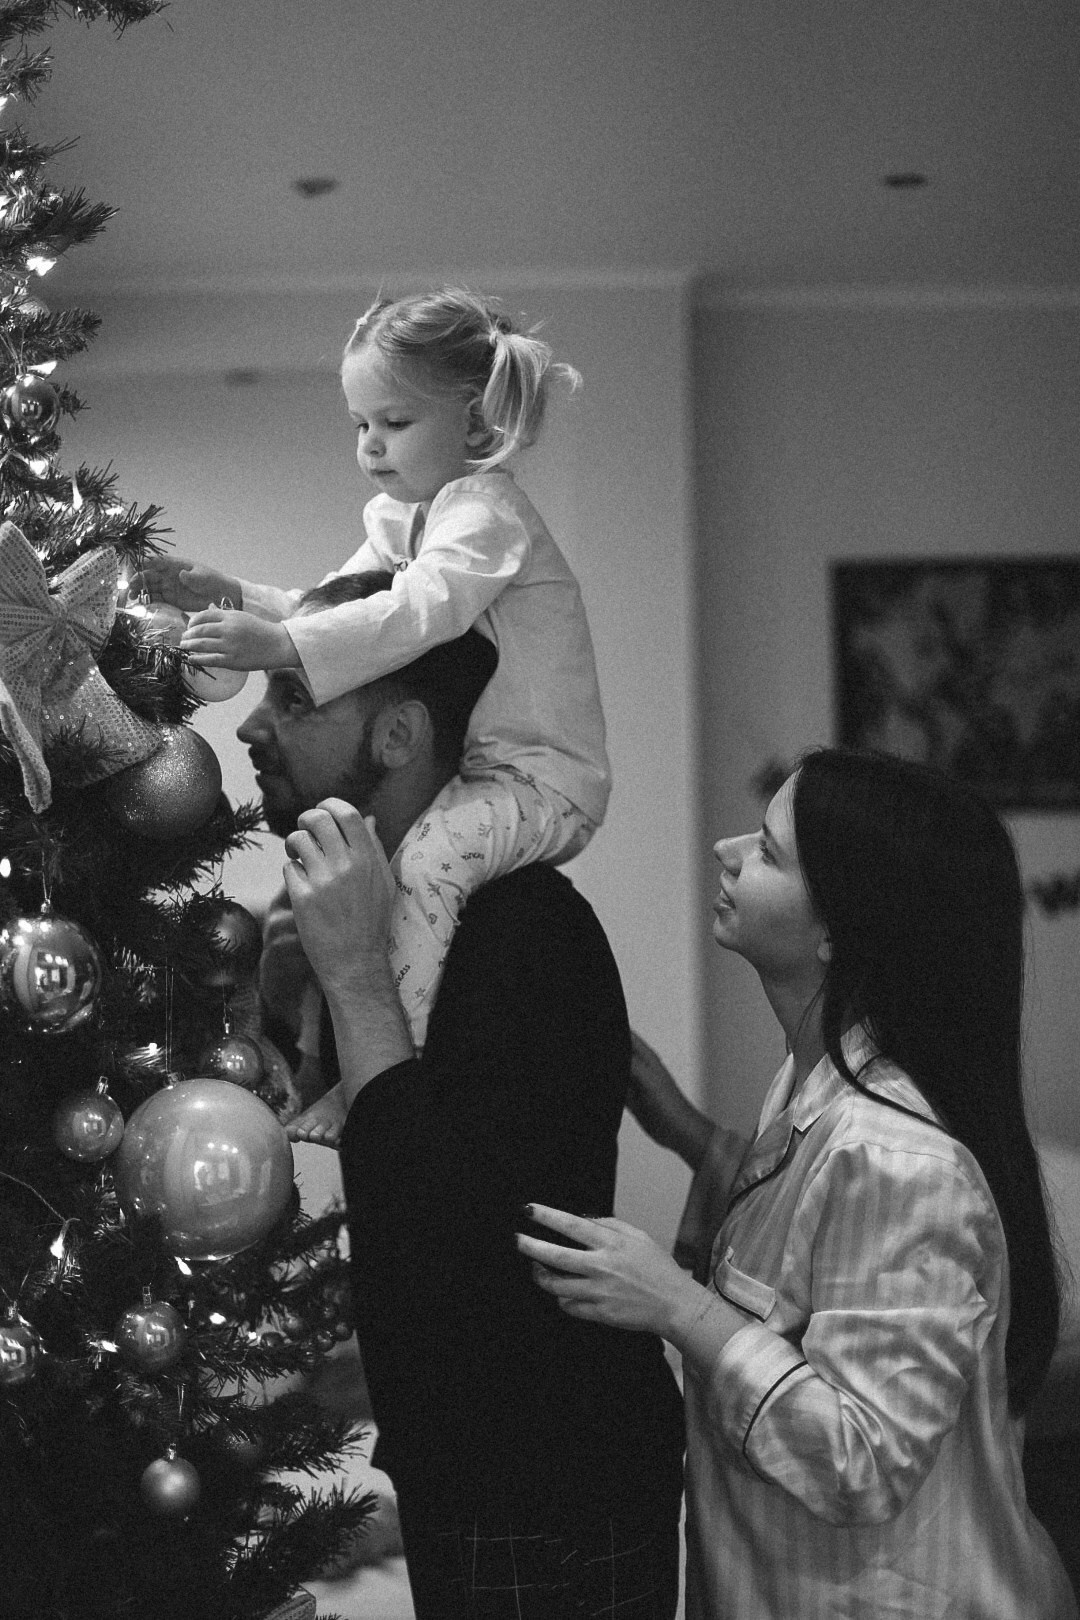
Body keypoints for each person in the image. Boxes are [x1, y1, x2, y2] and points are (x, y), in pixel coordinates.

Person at [516, 747, 1077, 1619]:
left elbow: (862, 1460)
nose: (728, 851)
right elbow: (810, 1263)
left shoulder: (896, 1158)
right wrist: (693, 1138)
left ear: (838, 931)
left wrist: (676, 1305)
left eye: (769, 852)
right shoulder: (810, 1083)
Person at [236, 571, 685, 1619]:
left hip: (548, 1470)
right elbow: (308, 1172)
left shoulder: (526, 926)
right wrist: (285, 1008)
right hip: (455, 1451)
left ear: (397, 736)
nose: (253, 727)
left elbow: (451, 1221)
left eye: (293, 700)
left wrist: (356, 979)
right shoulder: (365, 919)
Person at [138, 286, 608, 1050]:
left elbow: (418, 611)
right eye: (361, 424)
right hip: (486, 771)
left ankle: (396, 1061)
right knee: (375, 874)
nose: (371, 445)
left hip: (543, 780)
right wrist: (235, 595)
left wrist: (282, 646)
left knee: (424, 864)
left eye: (395, 422)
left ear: (476, 424)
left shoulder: (487, 515)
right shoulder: (408, 519)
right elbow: (332, 606)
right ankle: (340, 1054)